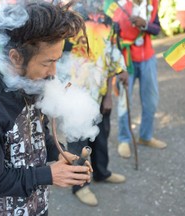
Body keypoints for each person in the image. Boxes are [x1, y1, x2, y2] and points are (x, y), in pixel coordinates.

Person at [0, 1, 93, 215]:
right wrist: (48, 175)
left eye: (57, 61)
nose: (53, 72)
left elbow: (39, 134)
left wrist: (59, 153)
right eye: (47, 62)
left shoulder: (30, 86)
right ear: (15, 57)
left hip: (37, 208)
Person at [60, 1, 129, 206]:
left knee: (101, 136)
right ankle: (80, 185)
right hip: (76, 95)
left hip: (99, 92)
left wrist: (108, 93)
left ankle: (101, 173)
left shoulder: (109, 22)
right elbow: (58, 53)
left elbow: (112, 55)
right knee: (78, 143)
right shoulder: (70, 20)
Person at [112, 0, 167, 159]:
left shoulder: (153, 3)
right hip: (126, 58)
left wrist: (145, 25)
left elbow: (157, 29)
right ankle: (124, 139)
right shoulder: (118, 4)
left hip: (148, 58)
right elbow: (111, 34)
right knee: (124, 101)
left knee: (151, 100)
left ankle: (146, 136)